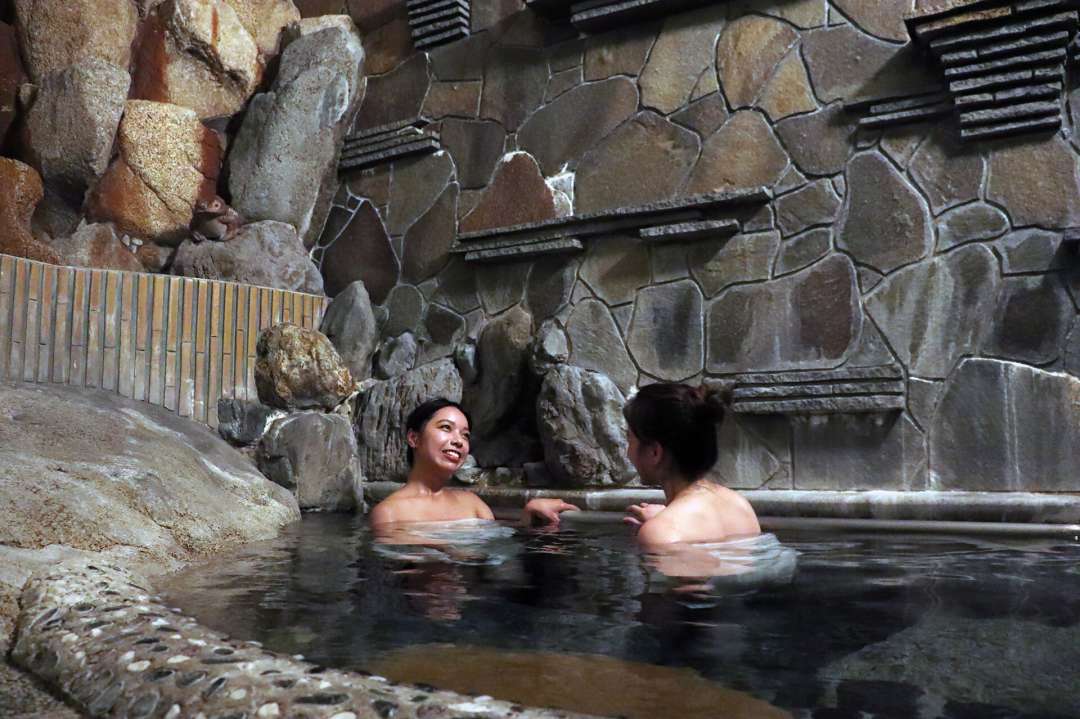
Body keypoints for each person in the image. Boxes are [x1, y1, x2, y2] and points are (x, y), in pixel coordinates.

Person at [369, 398, 573, 531]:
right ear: (414, 438)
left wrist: (529, 514)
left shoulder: (472, 503)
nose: (458, 441)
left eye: (465, 435)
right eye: (446, 428)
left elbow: (499, 545)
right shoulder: (388, 513)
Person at [619, 383, 760, 546]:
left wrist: (657, 529)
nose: (627, 452)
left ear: (654, 452)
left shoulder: (660, 534)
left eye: (630, 439)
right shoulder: (739, 505)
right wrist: (663, 519)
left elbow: (686, 552)